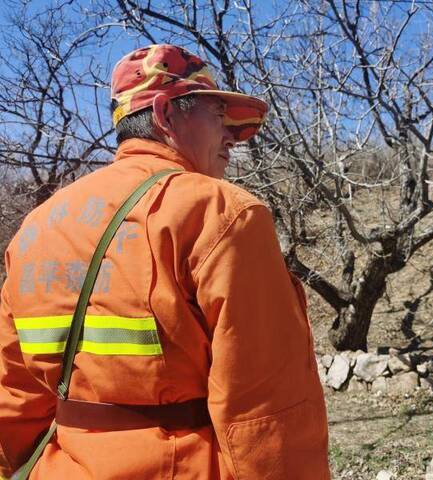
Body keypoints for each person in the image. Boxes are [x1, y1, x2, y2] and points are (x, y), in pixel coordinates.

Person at [0, 44, 330, 479]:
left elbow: (13, 392)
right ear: (165, 114)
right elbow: (262, 407)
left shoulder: (37, 226)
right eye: (218, 116)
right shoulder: (221, 213)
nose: (232, 137)